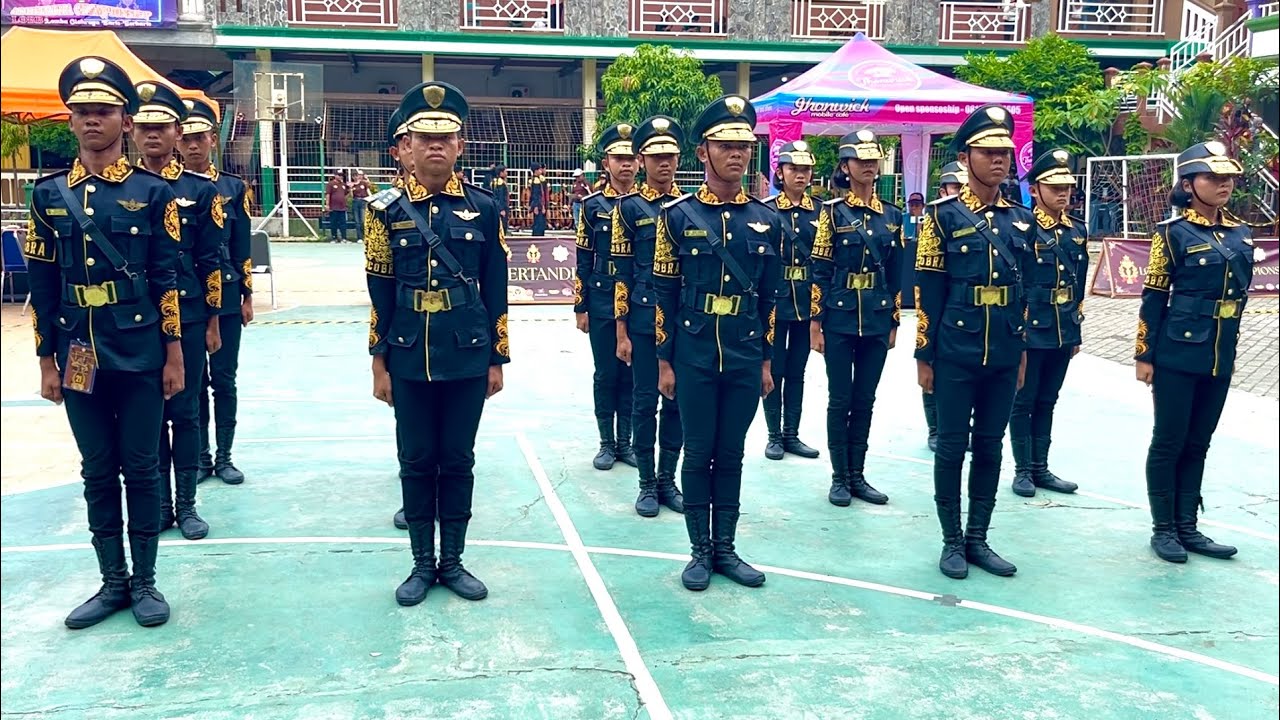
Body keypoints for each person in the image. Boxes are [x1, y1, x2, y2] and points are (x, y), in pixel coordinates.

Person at [24, 57, 184, 628]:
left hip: (140, 351)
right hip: (78, 353)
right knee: (96, 469)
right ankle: (111, 582)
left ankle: (145, 582)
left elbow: (168, 279)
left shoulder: (153, 192)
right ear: (71, 122)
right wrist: (46, 360)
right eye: (83, 112)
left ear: (125, 119)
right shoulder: (46, 197)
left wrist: (174, 353)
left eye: (103, 111)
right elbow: (41, 285)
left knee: (141, 468)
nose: (92, 121)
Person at [365, 81, 510, 605]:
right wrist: (378, 363)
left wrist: (498, 357)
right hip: (407, 354)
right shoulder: (382, 210)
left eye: (446, 137)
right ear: (404, 146)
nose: (435, 146)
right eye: (424, 137)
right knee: (417, 458)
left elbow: (496, 287)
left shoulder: (485, 208)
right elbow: (378, 290)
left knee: (458, 459)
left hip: (468, 353)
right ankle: (422, 565)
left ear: (461, 145)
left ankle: (453, 561)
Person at [653, 95, 781, 591]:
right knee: (699, 449)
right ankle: (699, 552)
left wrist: (767, 361)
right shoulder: (677, 217)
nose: (737, 154)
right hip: (694, 353)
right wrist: (665, 361)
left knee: (731, 454)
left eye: (744, 146)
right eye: (726, 145)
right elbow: (663, 294)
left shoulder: (768, 219)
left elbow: (770, 299)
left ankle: (725, 548)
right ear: (703, 152)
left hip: (746, 354)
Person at [915, 105, 1033, 580]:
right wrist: (925, 355)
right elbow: (928, 291)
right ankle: (951, 542)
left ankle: (978, 538)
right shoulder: (941, 216)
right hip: (955, 349)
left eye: (1004, 151)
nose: (999, 160)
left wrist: (1022, 349)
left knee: (989, 446)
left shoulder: (1023, 220)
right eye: (988, 152)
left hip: (1003, 349)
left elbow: (1026, 291)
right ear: (967, 157)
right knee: (951, 447)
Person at [1136, 141, 1255, 564]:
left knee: (1199, 442)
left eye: (1227, 178)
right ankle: (1163, 528)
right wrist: (1144, 353)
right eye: (1212, 177)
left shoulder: (1241, 232)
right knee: (1169, 440)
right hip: (1177, 351)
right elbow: (1153, 297)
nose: (1223, 184)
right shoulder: (1170, 233)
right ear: (1188, 184)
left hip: (1220, 351)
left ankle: (1188, 526)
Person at [132, 82, 223, 541]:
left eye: (161, 126)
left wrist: (212, 321)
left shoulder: (199, 191)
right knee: (145, 415)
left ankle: (186, 503)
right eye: (145, 125)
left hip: (186, 316)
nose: (153, 134)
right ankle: (159, 505)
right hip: (133, 318)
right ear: (132, 130)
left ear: (175, 132)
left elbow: (212, 259)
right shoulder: (122, 186)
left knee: (185, 412)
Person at [810, 130, 899, 508]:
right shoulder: (831, 212)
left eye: (872, 159)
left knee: (865, 398)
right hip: (840, 318)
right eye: (859, 160)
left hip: (877, 317)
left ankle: (858, 474)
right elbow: (820, 269)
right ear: (845, 166)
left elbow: (897, 273)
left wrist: (894, 319)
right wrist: (816, 322)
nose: (867, 165)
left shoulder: (892, 215)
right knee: (839, 398)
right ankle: (839, 477)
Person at [612, 115, 686, 518]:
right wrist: (620, 330)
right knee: (644, 402)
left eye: (671, 156)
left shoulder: (688, 207)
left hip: (681, 320)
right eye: (657, 156)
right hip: (641, 318)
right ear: (642, 159)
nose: (665, 164)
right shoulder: (627, 209)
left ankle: (667, 480)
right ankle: (645, 483)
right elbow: (619, 274)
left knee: (675, 400)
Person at [180, 97, 255, 486]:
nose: (193, 145)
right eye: (187, 138)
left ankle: (224, 456)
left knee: (223, 379)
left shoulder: (232, 186)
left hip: (225, 296)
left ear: (213, 140)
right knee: (191, 384)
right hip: (187, 296)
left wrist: (247, 295)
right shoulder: (166, 187)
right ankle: (199, 458)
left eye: (200, 138)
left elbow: (242, 243)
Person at [1009, 149, 1087, 498]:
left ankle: (1041, 467)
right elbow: (1017, 282)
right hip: (1032, 327)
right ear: (1036, 190)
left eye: (1067, 187)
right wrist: (1018, 330)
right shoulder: (1023, 227)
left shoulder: (1077, 231)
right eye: (1054, 187)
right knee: (1024, 400)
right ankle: (1023, 469)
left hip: (1062, 326)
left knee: (1048, 400)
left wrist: (1076, 330)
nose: (1063, 193)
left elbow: (1079, 284)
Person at [575, 124, 639, 471]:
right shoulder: (591, 206)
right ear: (606, 163)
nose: (625, 165)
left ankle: (625, 442)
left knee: (630, 373)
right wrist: (580, 306)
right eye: (619, 158)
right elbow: (582, 258)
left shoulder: (649, 206)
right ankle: (606, 443)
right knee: (605, 373)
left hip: (637, 303)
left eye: (630, 159)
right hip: (601, 299)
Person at [761, 141, 821, 461]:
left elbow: (825, 263)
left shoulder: (821, 211)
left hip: (806, 301)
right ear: (780, 173)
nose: (800, 174)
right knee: (775, 368)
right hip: (775, 301)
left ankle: (792, 434)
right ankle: (773, 435)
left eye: (805, 169)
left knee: (797, 370)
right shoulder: (767, 210)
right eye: (793, 169)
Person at [919, 161, 967, 452]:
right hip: (940, 302)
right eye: (956, 187)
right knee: (933, 363)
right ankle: (935, 427)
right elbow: (925, 275)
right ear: (943, 189)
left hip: (966, 306)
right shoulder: (936, 218)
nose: (961, 192)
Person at [326, 171, 351, 243]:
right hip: (333, 207)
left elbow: (346, 194)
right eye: (339, 175)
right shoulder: (330, 184)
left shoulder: (343, 185)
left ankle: (344, 238)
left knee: (343, 223)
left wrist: (349, 190)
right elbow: (328, 195)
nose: (341, 177)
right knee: (334, 223)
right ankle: (334, 238)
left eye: (342, 176)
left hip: (342, 207)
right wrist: (327, 205)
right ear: (335, 175)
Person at [529, 162, 549, 236]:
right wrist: (537, 206)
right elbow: (536, 195)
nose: (541, 171)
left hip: (540, 205)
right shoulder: (536, 180)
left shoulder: (538, 179)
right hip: (539, 205)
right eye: (539, 169)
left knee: (541, 223)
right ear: (536, 170)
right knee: (538, 224)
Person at [351, 171, 372, 242]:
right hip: (355, 201)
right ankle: (359, 237)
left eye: (359, 175)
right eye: (356, 176)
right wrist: (351, 188)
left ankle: (365, 236)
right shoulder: (352, 185)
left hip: (363, 201)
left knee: (363, 220)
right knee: (357, 221)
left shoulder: (364, 183)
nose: (357, 177)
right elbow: (351, 196)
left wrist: (371, 199)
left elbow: (369, 189)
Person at [491, 165, 509, 234]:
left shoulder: (494, 181)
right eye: (505, 172)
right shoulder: (500, 183)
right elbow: (501, 196)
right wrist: (502, 209)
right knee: (502, 226)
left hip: (495, 205)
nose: (506, 173)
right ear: (501, 173)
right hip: (501, 207)